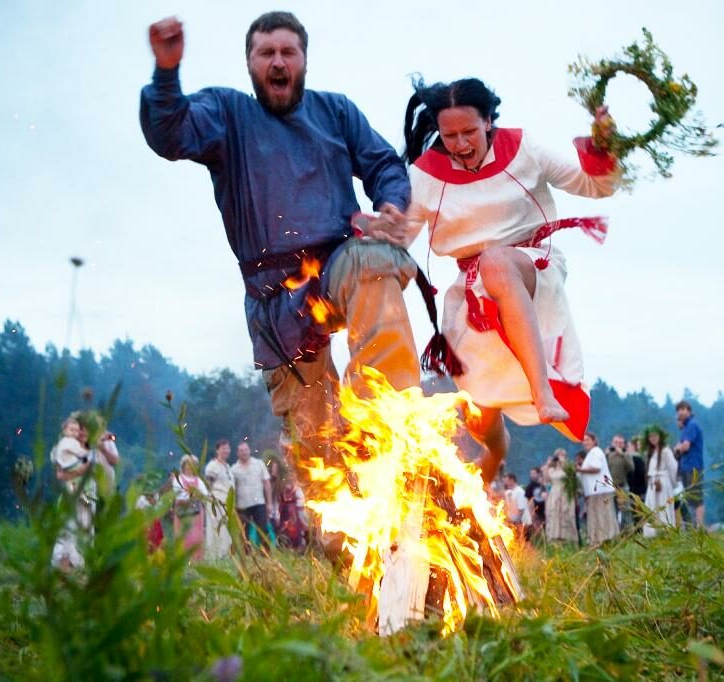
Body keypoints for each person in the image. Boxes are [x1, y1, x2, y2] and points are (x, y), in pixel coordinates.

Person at [140, 12, 421, 484]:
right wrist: (166, 72)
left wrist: (390, 205)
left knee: (374, 260)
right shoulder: (227, 114)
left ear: (304, 60)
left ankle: (389, 424)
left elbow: (384, 164)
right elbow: (170, 134)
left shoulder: (336, 112)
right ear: (250, 63)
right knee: (316, 444)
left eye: (287, 52)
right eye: (266, 52)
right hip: (276, 297)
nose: (278, 61)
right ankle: (344, 545)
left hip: (338, 261)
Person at [401, 77, 620, 484]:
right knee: (479, 409)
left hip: (532, 265)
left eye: (469, 131)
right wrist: (375, 232)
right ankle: (497, 450)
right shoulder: (425, 175)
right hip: (470, 294)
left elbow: (594, 187)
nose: (462, 144)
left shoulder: (523, 149)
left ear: (488, 121)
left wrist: (604, 147)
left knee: (497, 263)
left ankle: (542, 391)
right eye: (450, 136)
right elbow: (401, 236)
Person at [49, 417, 94, 571]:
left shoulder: (88, 452)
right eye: (75, 431)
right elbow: (60, 475)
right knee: (68, 529)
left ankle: (80, 569)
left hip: (88, 496)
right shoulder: (64, 449)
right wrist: (81, 470)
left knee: (84, 532)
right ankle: (64, 567)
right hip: (71, 493)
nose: (78, 434)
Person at [577, 433, 618, 545]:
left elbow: (596, 468)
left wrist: (580, 470)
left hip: (600, 489)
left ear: (594, 440)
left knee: (601, 514)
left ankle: (604, 538)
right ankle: (600, 539)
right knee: (598, 514)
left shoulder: (596, 452)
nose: (585, 442)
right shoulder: (591, 453)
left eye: (588, 440)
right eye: (584, 440)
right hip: (594, 490)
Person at [230, 441, 274, 546]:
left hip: (259, 502)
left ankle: (265, 553)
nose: (244, 452)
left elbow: (266, 483)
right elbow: (232, 488)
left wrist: (269, 503)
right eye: (241, 451)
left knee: (262, 528)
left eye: (246, 450)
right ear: (238, 453)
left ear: (249, 451)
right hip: (242, 505)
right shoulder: (234, 469)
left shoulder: (259, 464)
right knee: (244, 531)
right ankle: (246, 553)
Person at [672, 400, 706, 528]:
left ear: (689, 411)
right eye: (678, 410)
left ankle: (699, 527)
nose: (680, 412)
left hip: (693, 467)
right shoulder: (686, 427)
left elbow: (685, 447)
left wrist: (676, 448)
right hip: (686, 467)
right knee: (688, 497)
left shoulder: (691, 425)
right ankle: (691, 526)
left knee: (696, 497)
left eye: (683, 409)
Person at [641, 425, 677, 537]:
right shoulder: (650, 452)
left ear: (660, 437)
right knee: (652, 506)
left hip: (663, 481)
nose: (653, 438)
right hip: (653, 483)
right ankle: (652, 533)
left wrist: (671, 483)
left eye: (655, 436)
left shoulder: (666, 451)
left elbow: (673, 467)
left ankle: (665, 531)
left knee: (663, 506)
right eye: (650, 436)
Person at [172, 454, 209, 561]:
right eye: (187, 464)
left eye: (192, 464)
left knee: (196, 536)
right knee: (183, 535)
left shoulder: (199, 480)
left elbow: (204, 494)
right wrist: (193, 496)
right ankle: (182, 560)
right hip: (183, 512)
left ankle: (196, 559)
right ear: (183, 466)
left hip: (197, 513)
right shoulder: (178, 479)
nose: (189, 466)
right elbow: (178, 495)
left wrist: (194, 496)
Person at [203, 439, 235, 560]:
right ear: (217, 450)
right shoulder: (212, 466)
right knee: (216, 527)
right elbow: (208, 484)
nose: (225, 450)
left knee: (226, 528)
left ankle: (225, 554)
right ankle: (214, 555)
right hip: (216, 502)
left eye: (227, 448)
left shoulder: (228, 466)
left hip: (228, 502)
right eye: (223, 448)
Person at [544, 449, 577, 544]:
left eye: (563, 455)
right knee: (554, 514)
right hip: (554, 492)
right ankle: (554, 538)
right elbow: (546, 480)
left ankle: (568, 538)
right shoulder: (552, 469)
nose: (560, 457)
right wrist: (548, 464)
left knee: (566, 514)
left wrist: (564, 464)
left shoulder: (568, 468)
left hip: (565, 493)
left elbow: (572, 477)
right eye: (559, 455)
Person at [606, 435, 633, 530]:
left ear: (623, 444)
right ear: (612, 443)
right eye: (616, 442)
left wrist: (622, 454)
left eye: (620, 443)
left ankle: (629, 532)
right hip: (611, 487)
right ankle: (616, 532)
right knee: (613, 512)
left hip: (623, 486)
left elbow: (631, 468)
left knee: (626, 510)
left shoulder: (626, 455)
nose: (618, 445)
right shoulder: (609, 455)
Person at [524, 467, 547, 535]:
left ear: (538, 474)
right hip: (536, 512)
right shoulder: (530, 486)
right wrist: (531, 512)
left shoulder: (544, 484)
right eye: (531, 474)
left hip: (546, 511)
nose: (532, 475)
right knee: (537, 530)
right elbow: (528, 500)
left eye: (534, 473)